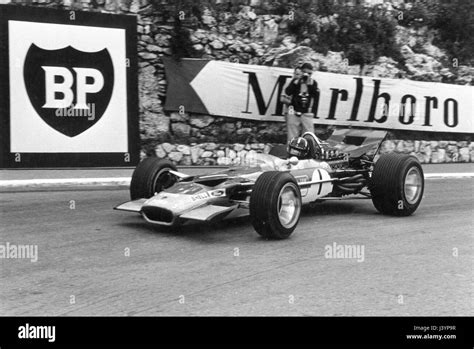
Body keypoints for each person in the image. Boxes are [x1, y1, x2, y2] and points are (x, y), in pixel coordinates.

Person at [283, 63, 319, 142]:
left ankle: (307, 152)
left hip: (306, 113)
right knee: (292, 136)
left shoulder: (313, 83)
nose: (307, 75)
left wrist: (310, 85)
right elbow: (288, 92)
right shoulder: (295, 81)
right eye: (305, 72)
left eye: (309, 73)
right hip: (294, 111)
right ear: (301, 72)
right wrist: (296, 82)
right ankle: (291, 152)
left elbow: (316, 96)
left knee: (309, 135)